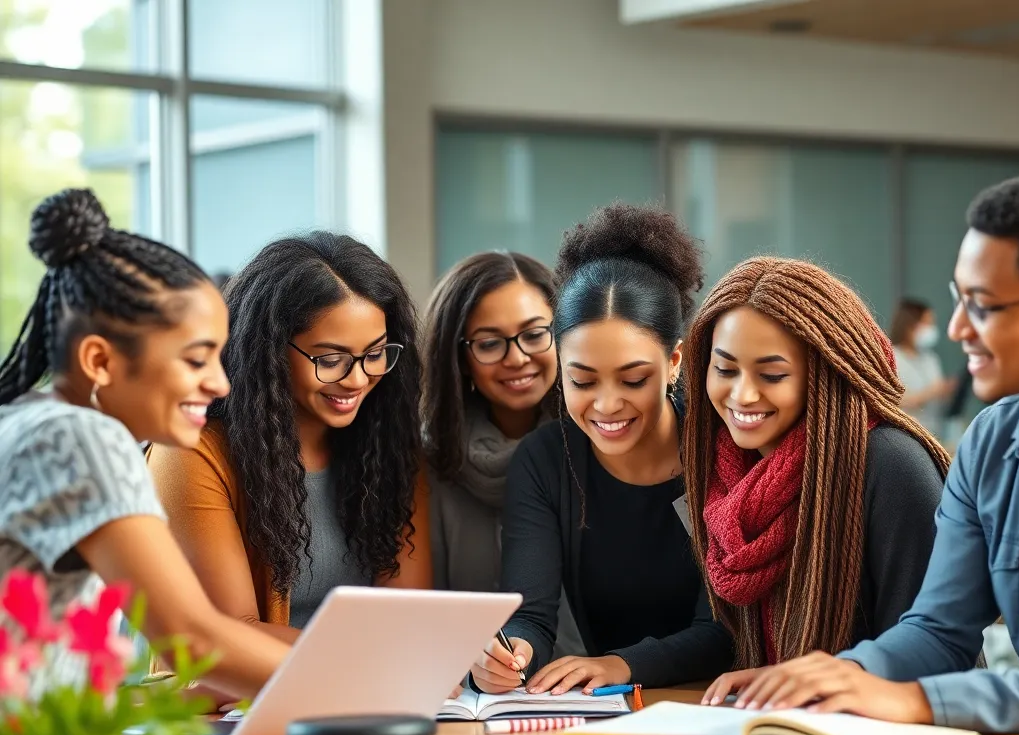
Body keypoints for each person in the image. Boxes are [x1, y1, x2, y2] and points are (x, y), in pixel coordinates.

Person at [723, 170, 1019, 733]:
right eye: (960, 299)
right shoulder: (991, 440)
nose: (958, 328)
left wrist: (916, 703)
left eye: (983, 306)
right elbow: (937, 631)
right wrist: (831, 679)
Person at [0, 188, 288, 698]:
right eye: (196, 360)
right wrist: (377, 681)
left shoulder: (32, 423)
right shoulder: (82, 438)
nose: (221, 384)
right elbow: (192, 638)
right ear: (100, 361)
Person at [470, 204, 734, 695]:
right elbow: (530, 615)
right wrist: (510, 654)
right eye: (582, 380)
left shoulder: (720, 450)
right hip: (606, 705)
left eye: (634, 379)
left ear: (675, 360)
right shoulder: (544, 460)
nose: (607, 405)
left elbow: (722, 629)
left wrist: (621, 664)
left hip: (709, 700)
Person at [679, 258, 952, 706]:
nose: (742, 395)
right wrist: (773, 680)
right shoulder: (726, 472)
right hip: (787, 731)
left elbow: (934, 650)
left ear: (823, 373)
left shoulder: (892, 464)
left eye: (772, 375)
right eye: (725, 370)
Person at [148, 232, 432, 642]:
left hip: (362, 688)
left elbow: (407, 612)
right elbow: (230, 641)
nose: (357, 379)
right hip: (242, 701)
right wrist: (378, 655)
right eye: (331, 360)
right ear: (268, 352)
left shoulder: (390, 447)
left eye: (374, 354)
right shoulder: (190, 453)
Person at [421, 251, 583, 654]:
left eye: (534, 334)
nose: (517, 358)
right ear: (459, 358)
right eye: (490, 343)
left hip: (598, 687)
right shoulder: (427, 462)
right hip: (466, 691)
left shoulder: (601, 444)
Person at [889, 298, 956, 438]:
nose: (931, 329)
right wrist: (931, 392)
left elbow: (939, 397)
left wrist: (946, 392)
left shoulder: (931, 359)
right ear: (910, 325)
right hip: (905, 436)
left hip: (934, 434)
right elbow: (894, 400)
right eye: (927, 323)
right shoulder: (893, 357)